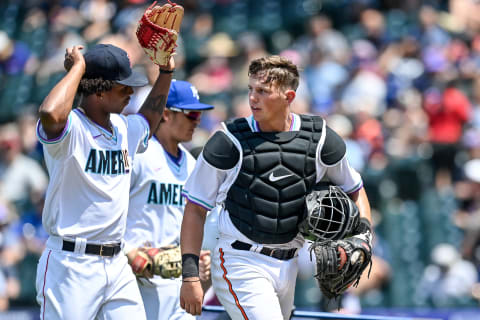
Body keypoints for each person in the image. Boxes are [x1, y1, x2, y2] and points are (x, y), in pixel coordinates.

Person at [179, 55, 372, 319]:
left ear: (288, 96)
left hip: (290, 263)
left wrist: (363, 238)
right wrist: (189, 276)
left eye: (262, 91)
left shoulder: (319, 138)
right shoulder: (228, 140)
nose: (252, 98)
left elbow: (355, 189)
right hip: (240, 260)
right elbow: (195, 209)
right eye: (250, 89)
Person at [35, 43, 176, 320]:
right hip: (71, 263)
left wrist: (166, 73)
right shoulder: (72, 129)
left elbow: (148, 119)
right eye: (123, 87)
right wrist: (78, 69)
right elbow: (50, 113)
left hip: (116, 262)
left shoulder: (123, 128)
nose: (131, 92)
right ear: (99, 91)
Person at [124, 80, 214, 320]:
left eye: (199, 115)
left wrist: (199, 262)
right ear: (165, 113)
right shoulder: (137, 155)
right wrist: (126, 251)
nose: (197, 121)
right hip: (135, 280)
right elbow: (107, 210)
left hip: (176, 282)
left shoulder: (193, 165)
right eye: (191, 114)